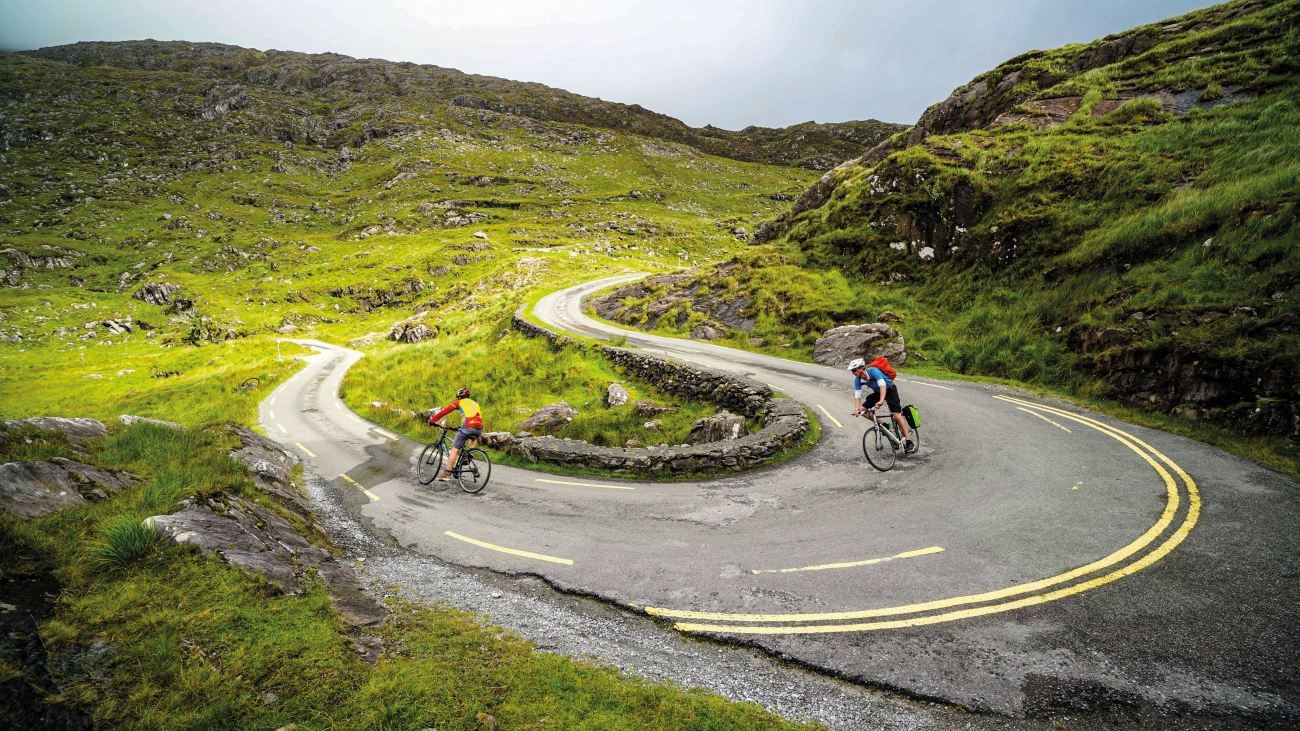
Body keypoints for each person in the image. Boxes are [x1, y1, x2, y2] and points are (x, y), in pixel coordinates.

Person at [848, 357, 915, 453]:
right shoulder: (857, 380)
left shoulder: (873, 371)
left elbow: (883, 386)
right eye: (852, 371)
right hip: (878, 392)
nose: (853, 373)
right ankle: (885, 425)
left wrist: (881, 401)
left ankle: (909, 441)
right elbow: (857, 396)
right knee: (863, 411)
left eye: (854, 370)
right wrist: (856, 409)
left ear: (861, 369)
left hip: (890, 390)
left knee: (896, 415)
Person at [428, 387, 484, 481]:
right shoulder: (475, 403)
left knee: (455, 450)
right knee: (473, 437)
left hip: (467, 426)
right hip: (478, 427)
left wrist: (432, 420)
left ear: (459, 397)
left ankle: (447, 474)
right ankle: (470, 453)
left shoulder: (459, 402)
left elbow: (444, 411)